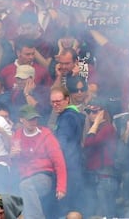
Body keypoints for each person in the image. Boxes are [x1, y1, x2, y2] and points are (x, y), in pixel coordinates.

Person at [11, 104, 66, 219]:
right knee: (22, 188)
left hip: (44, 176)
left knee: (26, 186)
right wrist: (13, 157)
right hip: (24, 177)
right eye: (30, 119)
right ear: (22, 120)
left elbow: (59, 162)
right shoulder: (17, 136)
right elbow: (16, 164)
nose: (33, 122)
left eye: (35, 118)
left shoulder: (46, 135)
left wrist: (61, 187)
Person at [51, 86, 84, 216]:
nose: (55, 104)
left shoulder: (67, 117)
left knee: (65, 208)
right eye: (53, 102)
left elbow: (61, 145)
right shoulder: (73, 115)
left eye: (58, 101)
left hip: (67, 168)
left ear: (67, 100)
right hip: (73, 166)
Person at [83, 98, 118, 218]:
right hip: (97, 177)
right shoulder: (95, 128)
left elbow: (89, 142)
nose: (91, 115)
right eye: (88, 111)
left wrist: (97, 122)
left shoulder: (107, 128)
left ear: (103, 112)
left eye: (95, 111)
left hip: (104, 177)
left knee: (108, 214)